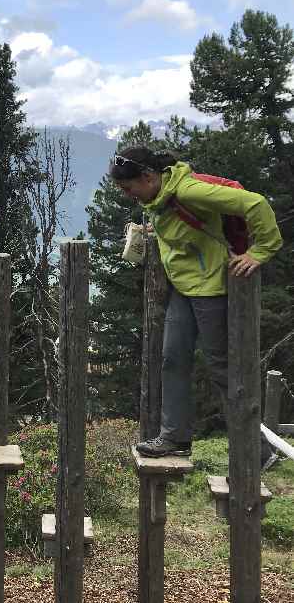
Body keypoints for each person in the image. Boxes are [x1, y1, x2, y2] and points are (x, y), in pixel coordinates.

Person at [110, 147, 283, 458]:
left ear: (149, 177)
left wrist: (260, 251)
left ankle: (256, 452)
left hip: (212, 288)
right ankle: (174, 438)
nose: (127, 195)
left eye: (128, 188)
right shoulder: (158, 198)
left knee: (222, 369)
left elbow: (255, 203)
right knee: (172, 359)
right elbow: (185, 228)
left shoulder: (189, 191)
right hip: (184, 288)